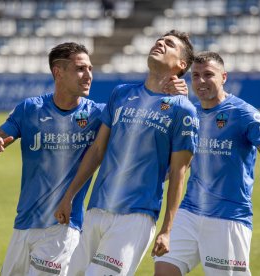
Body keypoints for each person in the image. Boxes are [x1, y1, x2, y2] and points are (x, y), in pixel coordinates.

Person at [54, 30, 199, 276]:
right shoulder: (121, 93)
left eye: (169, 44)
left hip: (136, 216)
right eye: (159, 41)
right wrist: (69, 194)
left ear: (181, 65)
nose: (160, 44)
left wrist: (167, 229)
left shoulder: (183, 110)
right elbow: (97, 149)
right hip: (96, 209)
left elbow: (178, 172)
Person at [154, 52, 260, 276]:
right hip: (188, 212)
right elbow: (179, 164)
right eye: (195, 75)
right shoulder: (191, 114)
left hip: (228, 217)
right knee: (163, 271)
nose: (201, 81)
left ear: (224, 77)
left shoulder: (245, 114)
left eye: (208, 75)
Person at [0, 42, 105, 276]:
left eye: (90, 68)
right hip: (23, 225)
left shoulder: (98, 114)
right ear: (58, 72)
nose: (88, 75)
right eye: (80, 69)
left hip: (63, 226)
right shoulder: (29, 109)